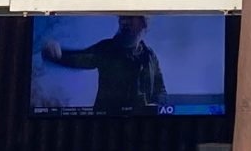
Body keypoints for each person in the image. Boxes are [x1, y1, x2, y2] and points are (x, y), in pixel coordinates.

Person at [39, 15, 168, 114]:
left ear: (143, 23)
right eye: (122, 18)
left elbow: (160, 90)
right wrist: (56, 54)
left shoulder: (150, 56)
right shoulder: (107, 49)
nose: (124, 22)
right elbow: (80, 58)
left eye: (130, 17)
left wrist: (158, 110)